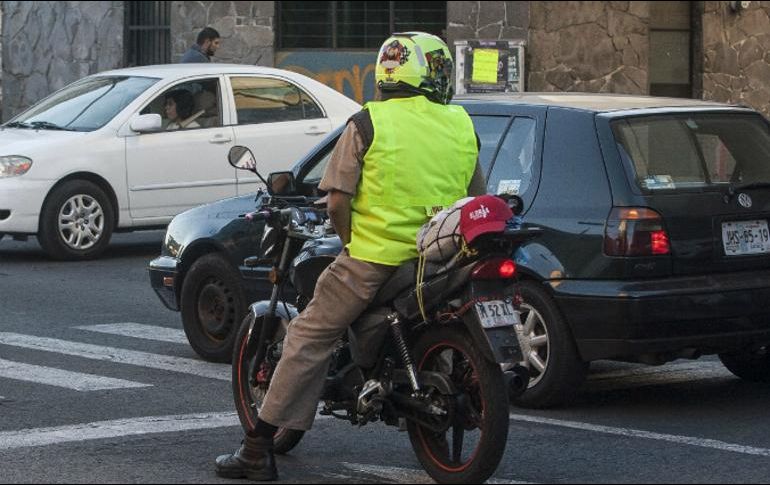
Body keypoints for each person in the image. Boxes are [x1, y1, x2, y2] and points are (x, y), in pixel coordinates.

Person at [214, 32, 486, 482]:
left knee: (307, 334)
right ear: (433, 73)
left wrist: (350, 241)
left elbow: (338, 201)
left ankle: (257, 447)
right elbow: (476, 196)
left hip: (374, 259)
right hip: (440, 258)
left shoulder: (368, 122)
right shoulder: (461, 123)